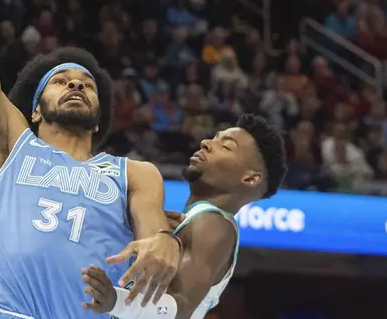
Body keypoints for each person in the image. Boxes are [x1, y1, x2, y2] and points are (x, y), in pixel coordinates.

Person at [0, 0, 182, 319]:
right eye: (61, 81)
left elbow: (152, 241)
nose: (75, 85)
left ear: (99, 116)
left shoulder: (135, 173)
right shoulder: (7, 143)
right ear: (34, 110)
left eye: (87, 85)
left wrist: (167, 243)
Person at [81, 114, 287, 319]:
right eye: (214, 137)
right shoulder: (194, 222)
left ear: (250, 178)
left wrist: (113, 301)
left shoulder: (214, 223)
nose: (206, 143)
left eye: (226, 146)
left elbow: (179, 308)